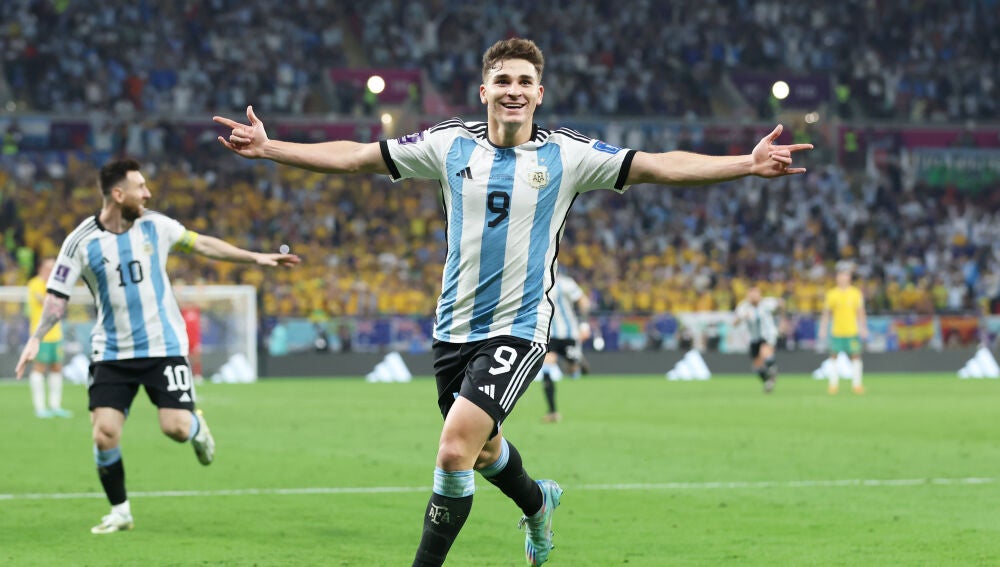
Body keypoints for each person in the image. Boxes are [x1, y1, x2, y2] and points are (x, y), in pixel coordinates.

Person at [214, 37, 812, 566]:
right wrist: (272, 149)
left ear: (540, 93)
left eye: (524, 81)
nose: (513, 90)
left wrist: (744, 164)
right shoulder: (447, 145)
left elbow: (659, 166)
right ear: (483, 90)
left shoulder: (569, 155)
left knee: (453, 450)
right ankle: (539, 503)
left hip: (520, 327)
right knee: (482, 452)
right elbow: (355, 156)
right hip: (452, 330)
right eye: (503, 80)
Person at [14, 158, 300, 535]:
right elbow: (57, 296)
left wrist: (255, 256)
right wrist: (36, 337)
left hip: (163, 346)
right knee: (104, 433)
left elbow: (202, 244)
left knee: (176, 428)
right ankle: (120, 511)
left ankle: (198, 428)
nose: (148, 194)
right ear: (118, 194)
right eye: (140, 188)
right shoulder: (79, 242)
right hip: (112, 351)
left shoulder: (157, 226)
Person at [536, 272, 591, 422]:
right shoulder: (537, 282)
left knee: (572, 369)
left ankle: (578, 362)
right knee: (547, 366)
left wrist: (584, 325)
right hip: (550, 334)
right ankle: (553, 411)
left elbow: (584, 302)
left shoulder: (566, 283)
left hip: (569, 334)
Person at [26, 258, 72, 418]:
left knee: (56, 367)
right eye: (48, 268)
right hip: (41, 335)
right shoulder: (35, 284)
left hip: (56, 334)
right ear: (40, 269)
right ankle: (40, 407)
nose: (51, 271)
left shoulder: (55, 286)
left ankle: (55, 406)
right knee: (39, 368)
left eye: (54, 268)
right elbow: (48, 302)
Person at [817, 267, 868, 394]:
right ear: (837, 278)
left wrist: (863, 327)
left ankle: (857, 385)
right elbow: (826, 313)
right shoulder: (832, 294)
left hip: (852, 332)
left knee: (856, 356)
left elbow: (860, 312)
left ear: (849, 278)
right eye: (841, 276)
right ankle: (833, 385)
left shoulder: (855, 293)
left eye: (845, 275)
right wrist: (823, 328)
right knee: (833, 356)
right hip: (837, 332)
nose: (843, 278)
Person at [732, 285, 783, 393]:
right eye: (752, 294)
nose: (754, 296)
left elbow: (781, 303)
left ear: (760, 295)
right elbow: (734, 323)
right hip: (754, 337)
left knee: (765, 352)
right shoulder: (743, 307)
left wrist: (780, 318)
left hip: (768, 334)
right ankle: (768, 381)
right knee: (757, 366)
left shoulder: (767, 303)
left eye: (756, 294)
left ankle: (773, 368)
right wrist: (741, 318)